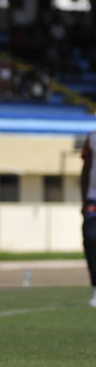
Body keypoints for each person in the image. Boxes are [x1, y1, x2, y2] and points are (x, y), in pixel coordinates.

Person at [81, 129, 96, 307]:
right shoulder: (92, 138)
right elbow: (85, 170)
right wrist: (83, 200)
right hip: (94, 198)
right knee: (91, 239)